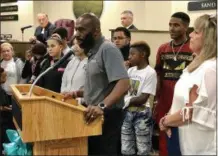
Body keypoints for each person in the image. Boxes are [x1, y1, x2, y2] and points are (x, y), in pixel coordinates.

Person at [72, 13, 129, 155]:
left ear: (96, 31)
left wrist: (101, 106)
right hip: (92, 114)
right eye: (76, 29)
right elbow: (99, 85)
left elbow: (123, 83)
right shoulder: (92, 51)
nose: (76, 34)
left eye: (81, 30)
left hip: (107, 116)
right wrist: (76, 93)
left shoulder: (108, 49)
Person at [159, 14, 217, 155]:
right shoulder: (198, 64)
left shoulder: (210, 68)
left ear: (209, 39)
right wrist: (170, 116)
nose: (190, 34)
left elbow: (192, 111)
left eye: (196, 32)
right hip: (180, 134)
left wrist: (166, 121)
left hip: (199, 145)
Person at [153, 12, 193, 156]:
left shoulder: (192, 48)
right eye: (170, 25)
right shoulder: (163, 49)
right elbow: (158, 73)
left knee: (182, 134)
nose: (171, 28)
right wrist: (156, 98)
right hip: (164, 97)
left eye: (176, 25)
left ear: (186, 27)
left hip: (184, 99)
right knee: (164, 132)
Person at [121, 41, 157, 155]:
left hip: (142, 114)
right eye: (129, 54)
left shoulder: (150, 72)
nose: (129, 57)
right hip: (127, 112)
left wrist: (127, 100)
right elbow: (123, 89)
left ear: (143, 54)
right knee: (126, 148)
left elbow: (143, 98)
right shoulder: (131, 70)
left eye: (132, 54)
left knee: (143, 149)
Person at [61, 38, 88, 103]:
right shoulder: (71, 62)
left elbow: (90, 87)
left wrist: (81, 100)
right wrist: (63, 93)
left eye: (78, 44)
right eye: (74, 44)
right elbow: (64, 80)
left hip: (80, 103)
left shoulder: (90, 63)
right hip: (66, 100)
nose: (75, 47)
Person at [0, 67, 15, 155]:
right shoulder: (1, 91)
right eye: (4, 77)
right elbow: (2, 107)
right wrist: (12, 109)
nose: (6, 79)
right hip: (3, 120)